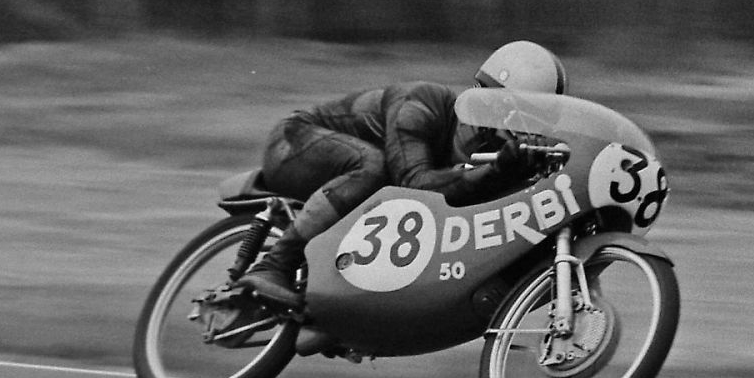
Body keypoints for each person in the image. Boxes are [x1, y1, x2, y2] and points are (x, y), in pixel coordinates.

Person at [236, 41, 568, 309]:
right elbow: (414, 183)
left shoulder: (491, 151)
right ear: (489, 98)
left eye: (534, 119)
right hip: (294, 142)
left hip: (347, 191)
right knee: (374, 165)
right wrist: (494, 172)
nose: (522, 129)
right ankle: (275, 264)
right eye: (517, 112)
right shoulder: (423, 102)